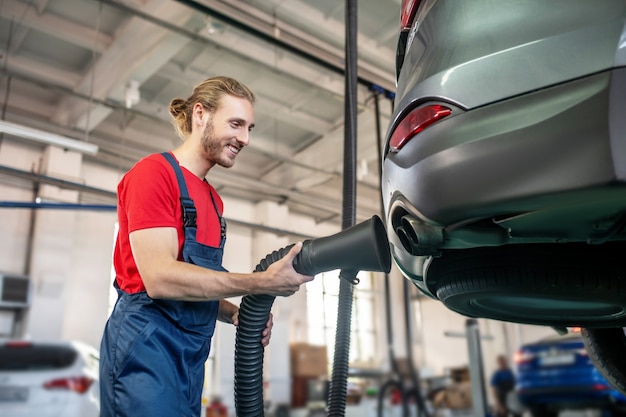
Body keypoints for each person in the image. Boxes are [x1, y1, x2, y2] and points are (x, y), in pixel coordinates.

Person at [99, 76, 314, 417]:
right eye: (236, 124)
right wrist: (262, 282)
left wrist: (234, 313)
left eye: (250, 128)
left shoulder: (213, 200)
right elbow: (161, 279)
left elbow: (195, 282)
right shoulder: (153, 174)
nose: (244, 138)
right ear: (200, 114)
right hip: (146, 348)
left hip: (191, 356)